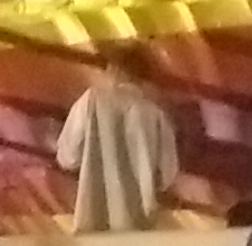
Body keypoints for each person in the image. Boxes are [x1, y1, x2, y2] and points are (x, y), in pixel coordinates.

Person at [55, 50, 181, 234]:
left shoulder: (90, 100)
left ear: (114, 70)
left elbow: (67, 157)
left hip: (93, 223)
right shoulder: (156, 116)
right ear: (144, 77)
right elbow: (166, 175)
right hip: (140, 228)